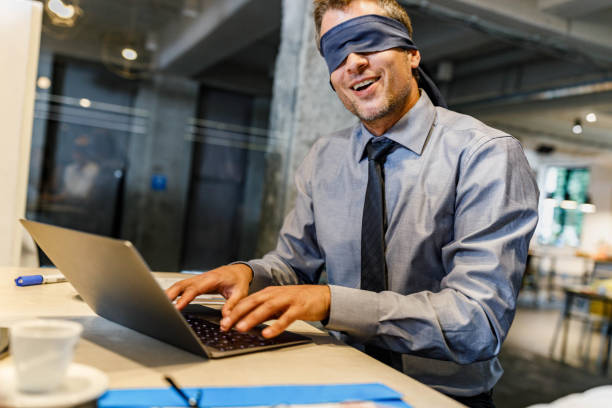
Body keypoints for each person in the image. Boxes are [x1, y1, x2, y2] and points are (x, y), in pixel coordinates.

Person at [167, 1, 539, 406]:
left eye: (367, 41)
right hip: (334, 377)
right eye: (336, 52)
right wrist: (247, 274)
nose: (353, 63)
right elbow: (293, 264)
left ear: (412, 54)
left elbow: (478, 323)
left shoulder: (486, 155)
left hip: (438, 396)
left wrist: (330, 301)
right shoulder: (325, 157)